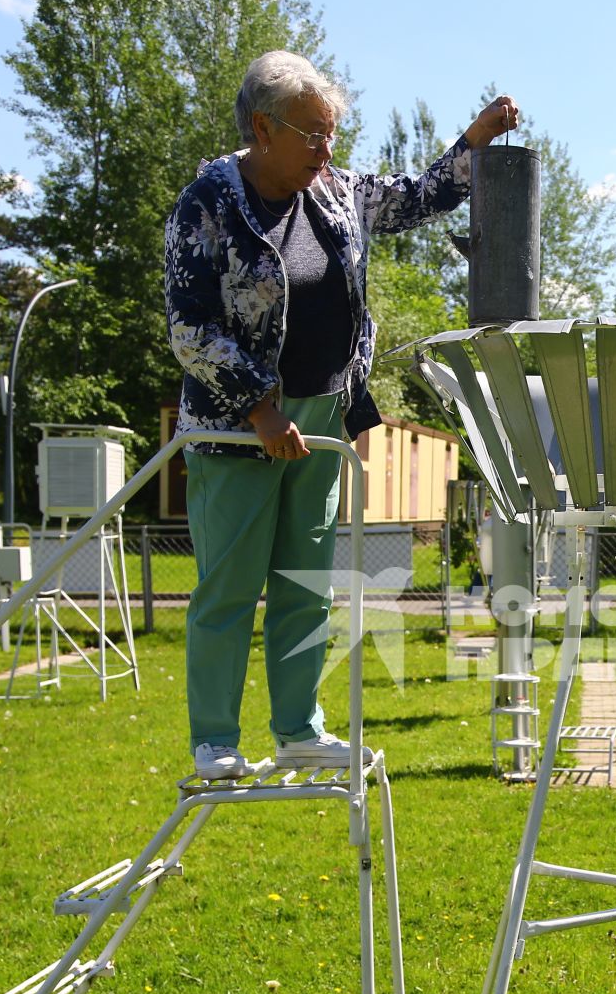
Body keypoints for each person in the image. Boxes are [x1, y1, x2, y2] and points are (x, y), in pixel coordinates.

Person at [165, 51, 518, 778]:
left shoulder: (335, 190)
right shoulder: (208, 201)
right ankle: (215, 742)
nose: (327, 152)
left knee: (303, 582)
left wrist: (474, 140)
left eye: (332, 136)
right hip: (238, 427)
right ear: (263, 128)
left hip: (322, 416)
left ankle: (298, 728)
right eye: (313, 135)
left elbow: (418, 197)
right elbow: (189, 326)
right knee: (229, 589)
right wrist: (259, 408)